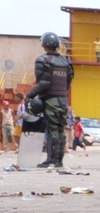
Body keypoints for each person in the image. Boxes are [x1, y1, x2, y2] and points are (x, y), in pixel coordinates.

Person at [26, 31, 74, 168]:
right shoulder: (66, 62)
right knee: (60, 130)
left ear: (44, 45)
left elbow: (44, 83)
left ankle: (51, 159)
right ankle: (59, 160)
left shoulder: (43, 60)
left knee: (52, 129)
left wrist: (30, 95)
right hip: (62, 100)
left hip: (50, 100)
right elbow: (68, 81)